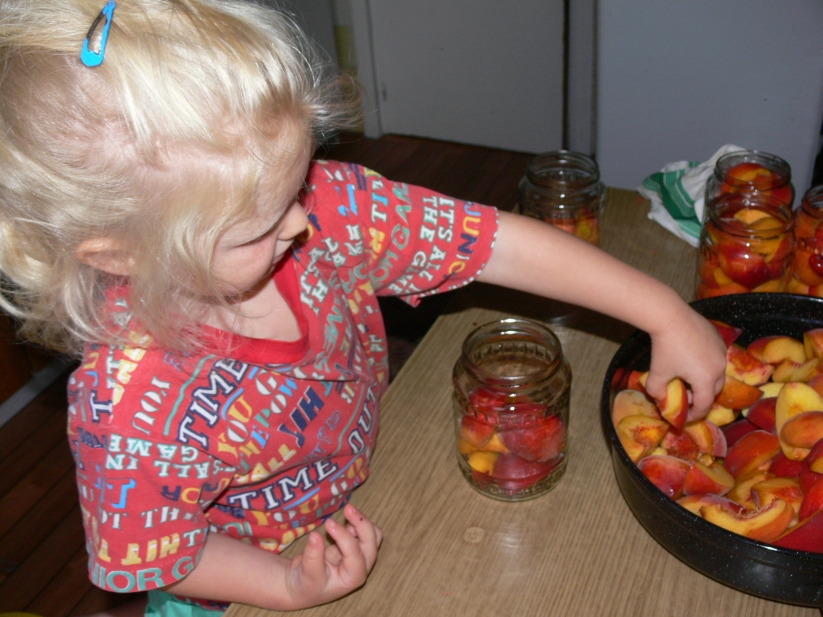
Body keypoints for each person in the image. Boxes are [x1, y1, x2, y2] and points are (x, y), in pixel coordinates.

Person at [0, 0, 727, 615]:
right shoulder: (127, 412)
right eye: (258, 228)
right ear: (120, 255)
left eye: (296, 184)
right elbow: (164, 556)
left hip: (360, 483)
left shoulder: (325, 206)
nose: (301, 222)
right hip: (237, 584)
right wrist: (284, 584)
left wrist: (663, 311)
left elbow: (494, 243)